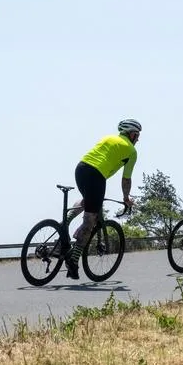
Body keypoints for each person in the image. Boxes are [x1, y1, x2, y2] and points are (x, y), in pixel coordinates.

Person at [66, 119, 141, 279]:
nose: (138, 139)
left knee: (87, 201)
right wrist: (126, 198)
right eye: (137, 135)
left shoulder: (108, 138)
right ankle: (73, 260)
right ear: (131, 134)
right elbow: (126, 179)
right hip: (96, 176)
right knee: (90, 220)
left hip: (81, 168)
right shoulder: (131, 151)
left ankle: (63, 225)